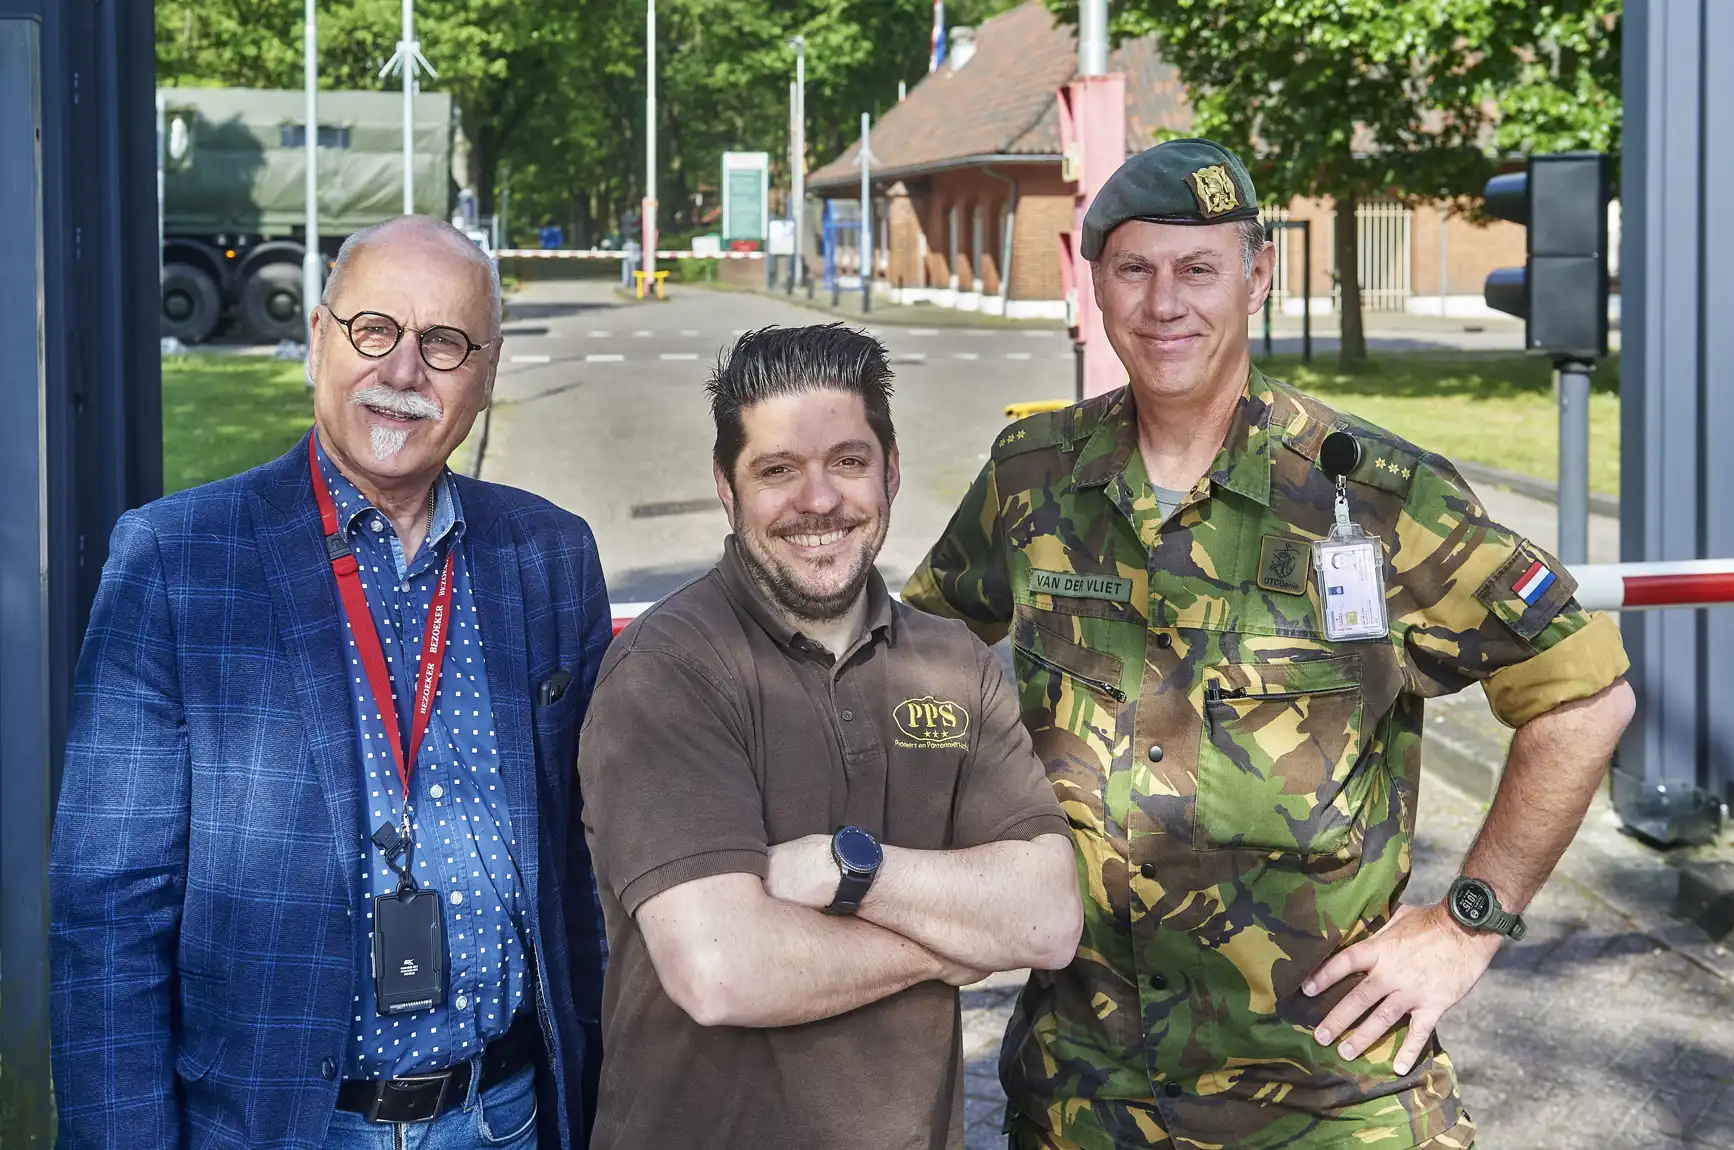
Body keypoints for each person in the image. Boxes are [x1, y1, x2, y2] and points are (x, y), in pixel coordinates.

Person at [904, 138, 1636, 1150]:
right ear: (1096, 282)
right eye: (1135, 268)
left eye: (1198, 269)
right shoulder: (1032, 479)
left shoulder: (1374, 496)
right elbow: (916, 664)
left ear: (1257, 278)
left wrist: (1469, 919)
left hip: (1328, 1100)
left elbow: (1584, 692)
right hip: (1083, 1097)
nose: (1165, 303)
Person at [50, 215, 610, 1150]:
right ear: (319, 338)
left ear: (487, 374)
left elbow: (584, 875)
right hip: (279, 1125)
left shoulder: (549, 554)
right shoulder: (177, 562)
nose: (404, 371)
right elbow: (109, 915)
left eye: (444, 343)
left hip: (506, 1114)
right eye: (373, 330)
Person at [576, 325, 1083, 1149]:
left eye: (847, 461)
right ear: (726, 488)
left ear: (891, 470)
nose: (818, 501)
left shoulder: (954, 664)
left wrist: (839, 869)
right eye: (777, 470)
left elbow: (1048, 918)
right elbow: (719, 968)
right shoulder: (668, 670)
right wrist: (947, 946)